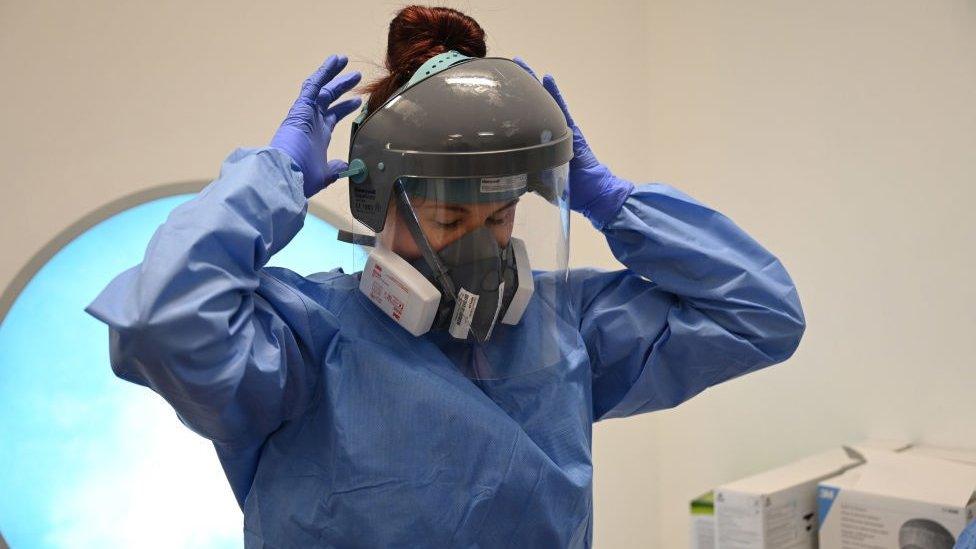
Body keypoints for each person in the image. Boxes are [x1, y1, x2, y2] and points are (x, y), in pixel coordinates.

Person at [86, 6, 805, 547]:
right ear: (378, 206)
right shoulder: (304, 341)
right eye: (448, 221)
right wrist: (270, 178)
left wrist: (615, 202)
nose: (481, 249)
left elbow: (760, 312)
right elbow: (160, 322)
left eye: (498, 220)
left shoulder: (563, 326)